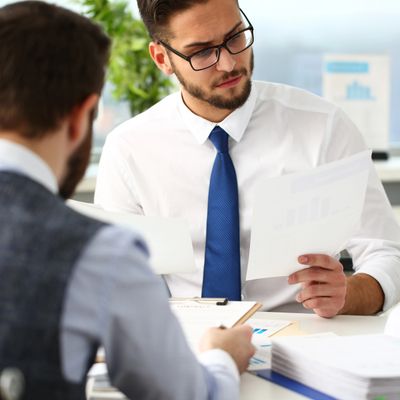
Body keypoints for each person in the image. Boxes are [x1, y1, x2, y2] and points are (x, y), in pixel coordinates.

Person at [0, 2, 255, 400]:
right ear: (83, 114)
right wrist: (222, 356)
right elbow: (188, 395)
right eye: (202, 50)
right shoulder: (99, 252)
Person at [95, 0, 400, 318]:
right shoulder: (129, 149)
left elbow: (387, 253)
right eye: (201, 52)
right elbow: (113, 280)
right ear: (163, 59)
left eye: (235, 37)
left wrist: (347, 295)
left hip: (305, 337)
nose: (228, 64)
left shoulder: (323, 126)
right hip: (188, 341)